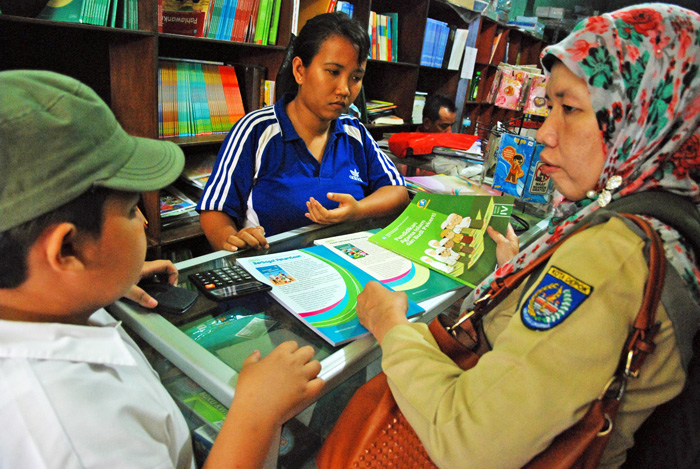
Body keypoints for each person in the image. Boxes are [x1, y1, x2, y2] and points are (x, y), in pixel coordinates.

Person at [356, 4, 700, 467]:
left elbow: (471, 440)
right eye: (548, 108)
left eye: (571, 109)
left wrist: (391, 326)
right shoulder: (667, 220)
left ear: (640, 115)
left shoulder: (613, 255)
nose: (543, 134)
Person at [0, 70, 324, 467]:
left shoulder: (37, 302)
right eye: (131, 207)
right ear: (67, 250)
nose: (145, 222)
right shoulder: (74, 436)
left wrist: (98, 282)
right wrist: (256, 414)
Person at [197, 12, 409, 252]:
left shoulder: (355, 132)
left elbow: (397, 191)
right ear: (299, 70)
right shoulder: (256, 130)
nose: (345, 89)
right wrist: (231, 239)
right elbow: (214, 209)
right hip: (273, 271)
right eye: (332, 72)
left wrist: (358, 211)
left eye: (356, 77)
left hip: (344, 266)